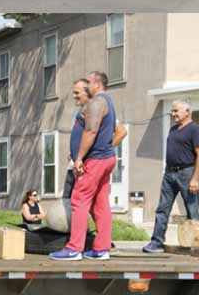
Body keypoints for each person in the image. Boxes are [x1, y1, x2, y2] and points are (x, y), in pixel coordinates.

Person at [50, 73, 117, 261]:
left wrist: (79, 158)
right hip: (104, 159)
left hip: (95, 160)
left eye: (88, 82)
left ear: (96, 83)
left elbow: (91, 130)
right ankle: (101, 249)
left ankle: (74, 248)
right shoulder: (108, 101)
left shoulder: (97, 102)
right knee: (100, 204)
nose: (87, 86)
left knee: (79, 200)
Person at [143, 100, 199, 253]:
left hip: (187, 173)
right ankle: (157, 242)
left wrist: (195, 178)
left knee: (192, 210)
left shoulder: (194, 129)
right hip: (169, 173)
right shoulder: (173, 129)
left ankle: (196, 245)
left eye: (176, 111)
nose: (173, 114)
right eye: (173, 111)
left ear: (187, 112)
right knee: (162, 209)